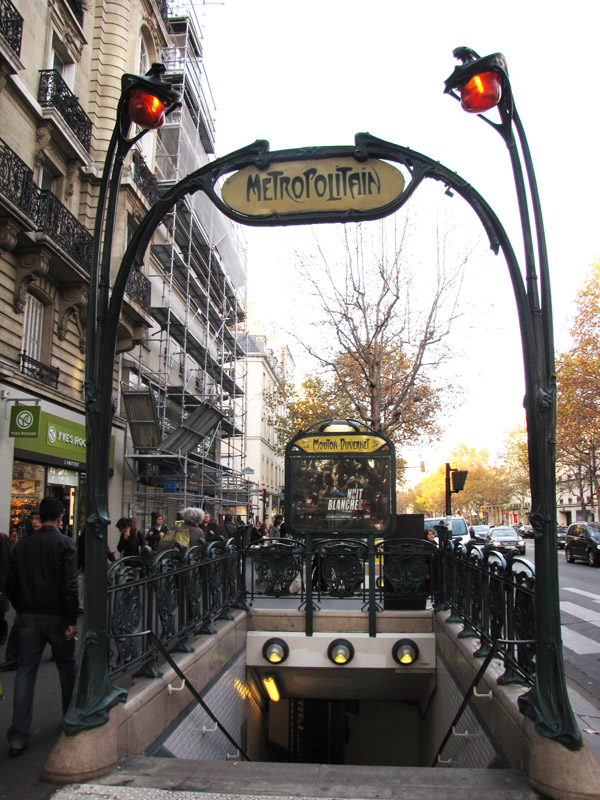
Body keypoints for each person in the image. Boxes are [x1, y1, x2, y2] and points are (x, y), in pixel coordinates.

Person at [6, 497, 78, 756]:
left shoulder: (23, 545)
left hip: (29, 616)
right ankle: (70, 717)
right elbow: (70, 585)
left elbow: (11, 583)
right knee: (66, 668)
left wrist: (22, 608)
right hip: (57, 616)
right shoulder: (66, 544)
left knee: (25, 673)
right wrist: (72, 619)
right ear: (60, 517)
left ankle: (18, 736)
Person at [0, 510, 42, 672]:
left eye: (38, 519)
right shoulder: (26, 541)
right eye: (33, 519)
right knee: (19, 625)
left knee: (50, 629)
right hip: (28, 590)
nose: (34, 522)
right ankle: (13, 658)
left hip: (41, 592)